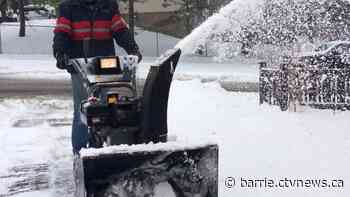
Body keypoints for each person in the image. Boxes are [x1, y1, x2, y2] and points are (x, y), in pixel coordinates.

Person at [52, 0, 142, 154]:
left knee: (111, 106)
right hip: (80, 66)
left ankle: (109, 145)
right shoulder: (68, 7)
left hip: (106, 66)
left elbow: (120, 30)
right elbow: (62, 33)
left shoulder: (108, 6)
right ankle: (80, 151)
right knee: (83, 109)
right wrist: (60, 54)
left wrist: (132, 48)